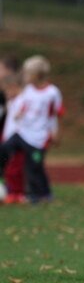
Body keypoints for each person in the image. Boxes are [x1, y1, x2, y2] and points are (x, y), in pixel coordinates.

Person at [0, 55, 63, 204]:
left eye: (27, 73)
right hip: (23, 133)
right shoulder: (28, 90)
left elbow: (55, 114)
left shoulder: (52, 92)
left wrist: (55, 132)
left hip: (39, 137)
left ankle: (42, 194)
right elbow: (24, 104)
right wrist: (19, 113)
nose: (24, 75)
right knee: (4, 148)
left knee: (34, 167)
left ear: (37, 75)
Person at [0, 57, 27, 204]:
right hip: (8, 137)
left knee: (15, 166)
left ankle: (18, 192)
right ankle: (12, 190)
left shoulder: (22, 99)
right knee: (10, 166)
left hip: (17, 138)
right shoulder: (9, 100)